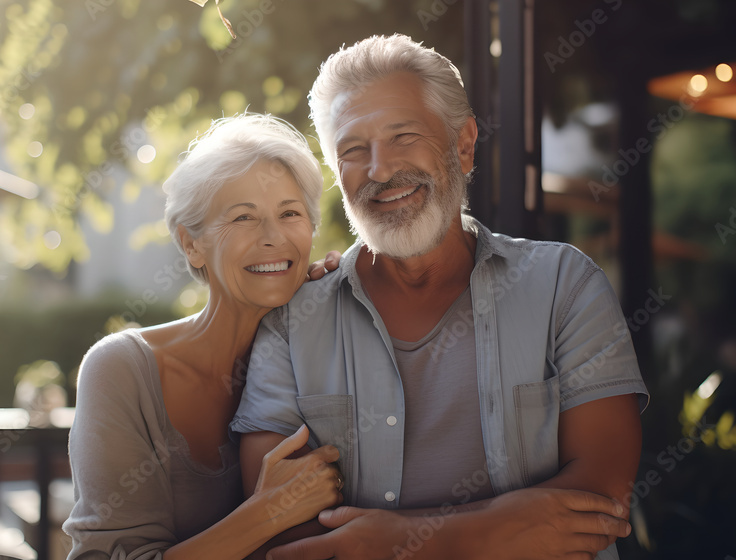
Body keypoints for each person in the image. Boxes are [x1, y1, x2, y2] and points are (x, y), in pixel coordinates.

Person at [231, 35, 649, 559]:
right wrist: (503, 529)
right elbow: (282, 536)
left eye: (403, 136)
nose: (379, 170)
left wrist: (397, 542)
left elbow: (601, 502)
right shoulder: (292, 324)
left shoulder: (565, 285)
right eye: (354, 150)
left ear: (463, 144)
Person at [62, 114, 347, 560]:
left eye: (290, 213)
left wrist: (346, 302)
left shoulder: (337, 344)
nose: (274, 238)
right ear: (191, 243)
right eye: (243, 217)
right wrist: (267, 512)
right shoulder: (121, 371)